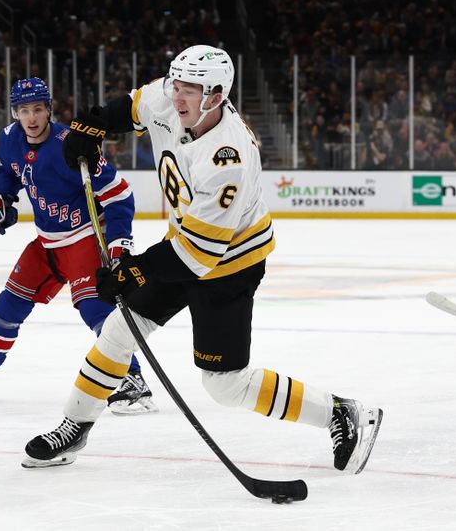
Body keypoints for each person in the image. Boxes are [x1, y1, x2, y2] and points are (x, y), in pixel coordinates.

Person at [22, 46, 383, 473]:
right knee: (119, 331)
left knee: (225, 384)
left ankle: (341, 412)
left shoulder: (226, 157)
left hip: (229, 264)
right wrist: (92, 124)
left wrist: (133, 271)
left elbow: (199, 254)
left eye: (190, 91)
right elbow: (132, 107)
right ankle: (75, 425)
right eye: (177, 86)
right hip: (181, 246)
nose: (177, 98)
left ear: (215, 96)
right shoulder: (174, 97)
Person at [0, 77, 157, 415]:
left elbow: (120, 194)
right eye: (24, 110)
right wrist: (1, 197)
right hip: (47, 242)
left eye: (38, 109)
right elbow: (9, 171)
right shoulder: (9, 139)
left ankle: (134, 380)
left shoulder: (72, 145)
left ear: (49, 110)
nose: (31, 118)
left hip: (84, 238)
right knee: (8, 305)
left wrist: (119, 245)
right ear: (15, 112)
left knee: (97, 311)